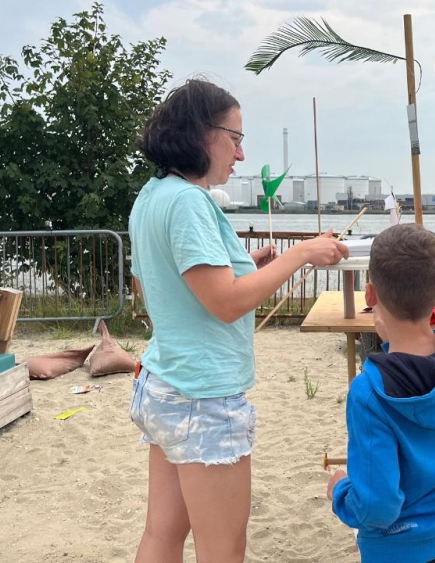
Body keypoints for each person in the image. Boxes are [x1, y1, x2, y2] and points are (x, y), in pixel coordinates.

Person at [127, 77, 349, 563]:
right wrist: (302, 253)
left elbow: (155, 285)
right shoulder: (189, 201)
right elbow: (225, 302)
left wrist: (250, 263)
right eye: (236, 138)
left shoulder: (152, 196)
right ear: (201, 133)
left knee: (160, 536)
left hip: (164, 385)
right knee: (222, 549)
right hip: (201, 397)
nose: (240, 154)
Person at [326, 223, 435, 563]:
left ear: (370, 296)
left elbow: (377, 506)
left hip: (398, 549)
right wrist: (391, 342)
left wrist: (340, 491)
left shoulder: (369, 392)